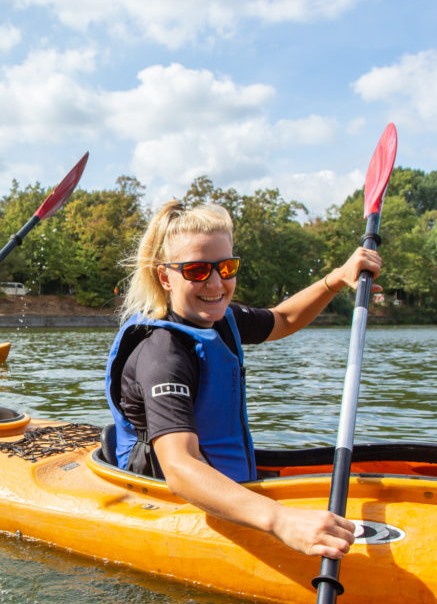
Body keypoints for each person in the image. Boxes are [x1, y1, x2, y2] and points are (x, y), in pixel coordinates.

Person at [105, 200, 382, 560]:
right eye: (197, 270)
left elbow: (283, 319)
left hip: (235, 489)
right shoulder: (163, 354)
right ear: (165, 278)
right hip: (173, 504)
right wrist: (281, 520)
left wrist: (336, 279)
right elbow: (180, 468)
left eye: (226, 267)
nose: (215, 283)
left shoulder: (219, 318)